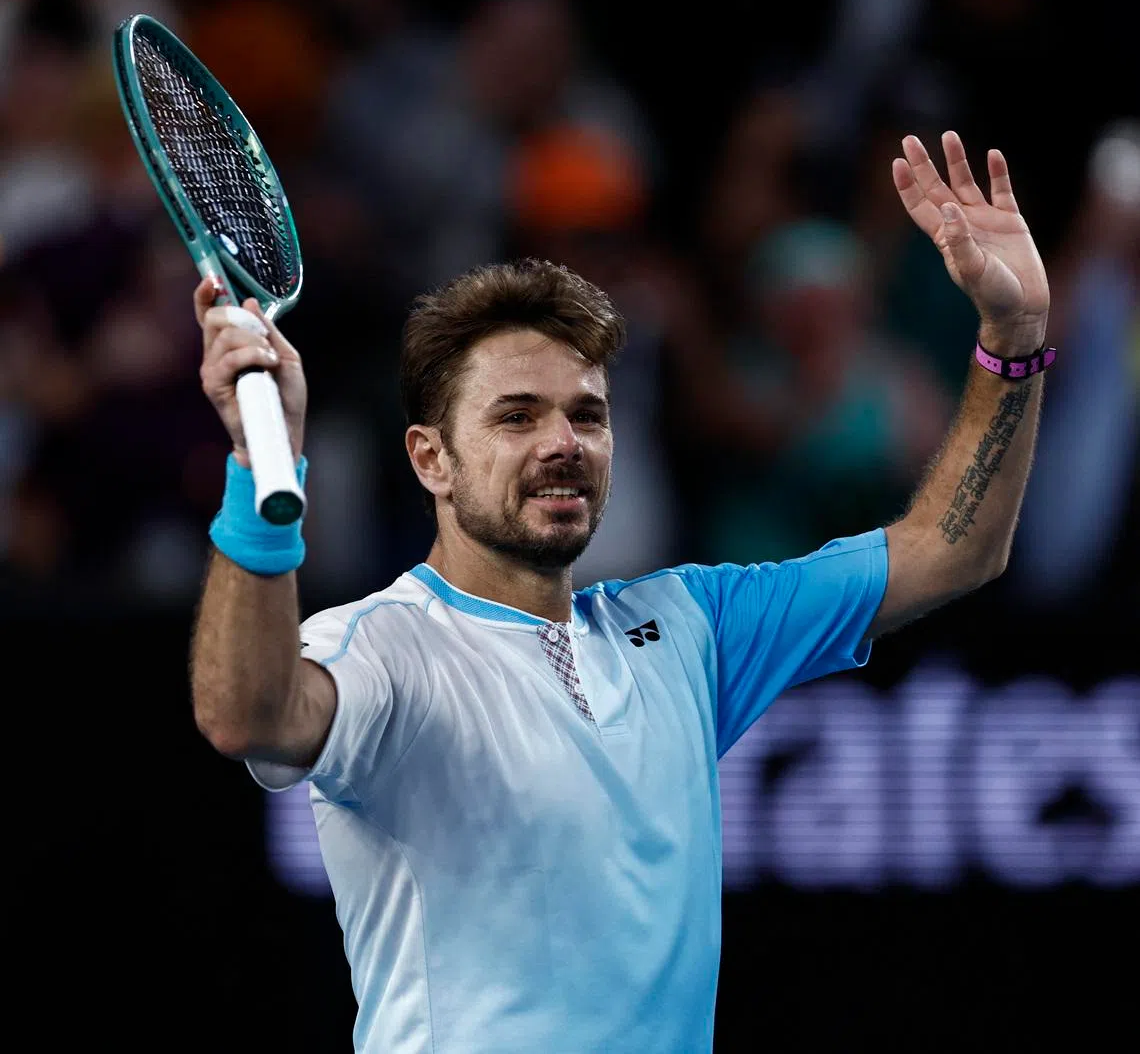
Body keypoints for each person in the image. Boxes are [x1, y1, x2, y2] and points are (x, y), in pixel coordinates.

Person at [189, 130, 1053, 1053]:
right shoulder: (382, 647)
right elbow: (250, 714)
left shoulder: (690, 628)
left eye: (586, 415)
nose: (563, 442)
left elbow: (953, 546)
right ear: (430, 458)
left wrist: (1015, 335)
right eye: (517, 416)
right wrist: (257, 468)